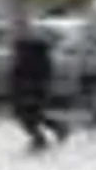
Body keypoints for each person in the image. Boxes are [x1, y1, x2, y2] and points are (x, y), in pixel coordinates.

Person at [9, 21, 68, 152]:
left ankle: (42, 136)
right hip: (31, 89)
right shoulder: (34, 55)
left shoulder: (30, 56)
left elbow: (21, 74)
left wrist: (25, 87)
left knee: (29, 114)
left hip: (30, 89)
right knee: (34, 114)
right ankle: (53, 131)